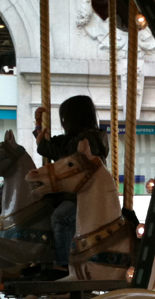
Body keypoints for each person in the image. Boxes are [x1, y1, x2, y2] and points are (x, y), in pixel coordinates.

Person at [33, 96, 109, 267]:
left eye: (65, 118)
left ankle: (64, 264)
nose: (63, 122)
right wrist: (39, 126)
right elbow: (53, 144)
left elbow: (66, 157)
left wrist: (42, 144)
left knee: (60, 217)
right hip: (70, 194)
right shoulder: (74, 138)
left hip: (83, 195)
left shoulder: (89, 139)